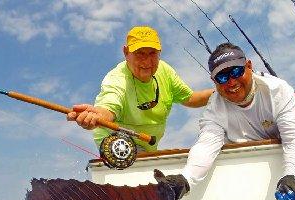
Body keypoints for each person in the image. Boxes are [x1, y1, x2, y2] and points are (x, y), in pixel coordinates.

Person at [155, 42, 295, 200]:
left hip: (279, 165)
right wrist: (185, 180)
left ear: (249, 66)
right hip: (242, 177)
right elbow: (206, 145)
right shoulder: (214, 108)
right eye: (223, 78)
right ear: (214, 81)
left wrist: (291, 175)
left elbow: (292, 139)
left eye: (236, 71)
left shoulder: (278, 90)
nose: (232, 82)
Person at [66, 26, 214, 151]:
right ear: (126, 53)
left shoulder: (165, 71)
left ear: (159, 53)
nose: (147, 61)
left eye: (152, 54)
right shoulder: (116, 79)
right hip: (117, 142)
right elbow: (109, 107)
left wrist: (222, 91)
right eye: (140, 53)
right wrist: (98, 116)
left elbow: (190, 99)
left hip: (148, 146)